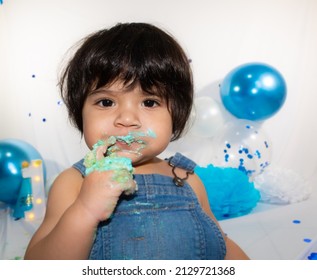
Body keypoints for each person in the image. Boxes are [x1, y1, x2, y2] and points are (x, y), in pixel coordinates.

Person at [24, 22, 249, 260]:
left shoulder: (187, 180)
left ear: (177, 114)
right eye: (106, 102)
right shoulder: (73, 183)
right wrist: (85, 210)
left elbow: (219, 246)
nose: (127, 119)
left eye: (150, 102)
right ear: (80, 111)